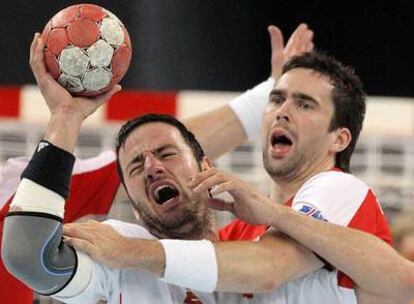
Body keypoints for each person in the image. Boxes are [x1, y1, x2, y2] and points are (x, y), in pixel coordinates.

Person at [0, 24, 314, 303]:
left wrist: (274, 95)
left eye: (166, 154)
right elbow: (31, 258)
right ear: (132, 204)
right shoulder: (116, 256)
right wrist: (66, 117)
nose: (152, 166)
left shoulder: (259, 249)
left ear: (206, 165)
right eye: (136, 167)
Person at [62, 51, 396, 303]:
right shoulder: (241, 232)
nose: (282, 111)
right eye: (276, 99)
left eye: (305, 104)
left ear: (339, 139)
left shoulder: (340, 189)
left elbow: (269, 269)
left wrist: (127, 251)